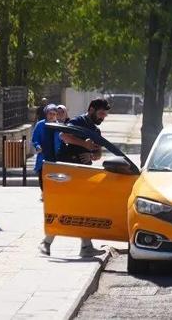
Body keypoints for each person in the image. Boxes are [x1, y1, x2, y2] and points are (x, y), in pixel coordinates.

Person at [38, 98, 110, 258]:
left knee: (82, 209)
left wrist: (92, 154)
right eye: (100, 113)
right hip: (68, 172)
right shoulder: (78, 121)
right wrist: (85, 145)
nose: (102, 117)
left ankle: (85, 246)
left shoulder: (95, 130)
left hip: (83, 173)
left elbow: (98, 152)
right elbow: (64, 136)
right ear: (91, 110)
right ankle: (47, 242)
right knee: (67, 208)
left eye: (105, 115)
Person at [31, 104, 58, 192]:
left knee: (54, 177)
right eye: (50, 114)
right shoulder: (40, 125)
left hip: (55, 157)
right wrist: (37, 146)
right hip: (43, 155)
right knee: (42, 176)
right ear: (46, 114)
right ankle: (44, 193)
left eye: (54, 114)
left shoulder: (59, 126)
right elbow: (35, 138)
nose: (52, 116)